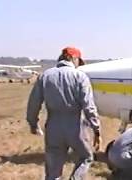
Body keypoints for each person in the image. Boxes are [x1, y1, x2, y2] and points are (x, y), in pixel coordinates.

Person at [26, 47, 101, 180]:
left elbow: (34, 103)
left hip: (53, 126)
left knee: (53, 169)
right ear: (73, 58)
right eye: (79, 61)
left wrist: (33, 123)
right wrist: (96, 129)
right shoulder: (80, 76)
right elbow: (89, 106)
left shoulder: (45, 75)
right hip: (76, 125)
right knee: (86, 157)